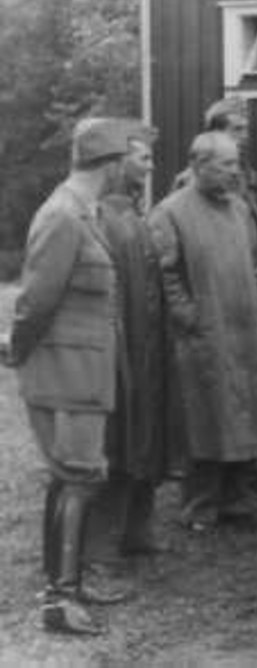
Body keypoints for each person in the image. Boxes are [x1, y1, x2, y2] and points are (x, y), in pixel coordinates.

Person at [7, 118, 139, 635]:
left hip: (82, 369)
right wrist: (18, 352)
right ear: (111, 164)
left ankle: (68, 585)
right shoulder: (62, 215)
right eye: (126, 159)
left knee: (72, 475)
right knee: (80, 476)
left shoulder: (85, 212)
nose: (132, 168)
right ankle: (60, 600)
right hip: (65, 371)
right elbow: (36, 300)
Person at [149, 131, 257, 531]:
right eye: (226, 164)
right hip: (204, 333)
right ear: (199, 165)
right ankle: (199, 505)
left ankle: (237, 500)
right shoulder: (170, 212)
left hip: (245, 330)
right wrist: (188, 316)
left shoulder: (240, 209)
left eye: (237, 163)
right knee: (204, 417)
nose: (236, 172)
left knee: (245, 413)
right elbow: (165, 275)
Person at [87, 122, 187, 566]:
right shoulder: (103, 217)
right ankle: (99, 544)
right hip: (123, 344)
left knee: (147, 433)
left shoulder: (136, 212)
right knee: (119, 440)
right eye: (142, 157)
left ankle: (138, 529)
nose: (150, 165)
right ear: (118, 161)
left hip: (150, 345)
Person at [176, 96, 257, 430]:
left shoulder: (247, 178)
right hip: (217, 288)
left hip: (250, 280)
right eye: (237, 129)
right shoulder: (190, 182)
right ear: (216, 133)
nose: (245, 136)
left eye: (246, 129)